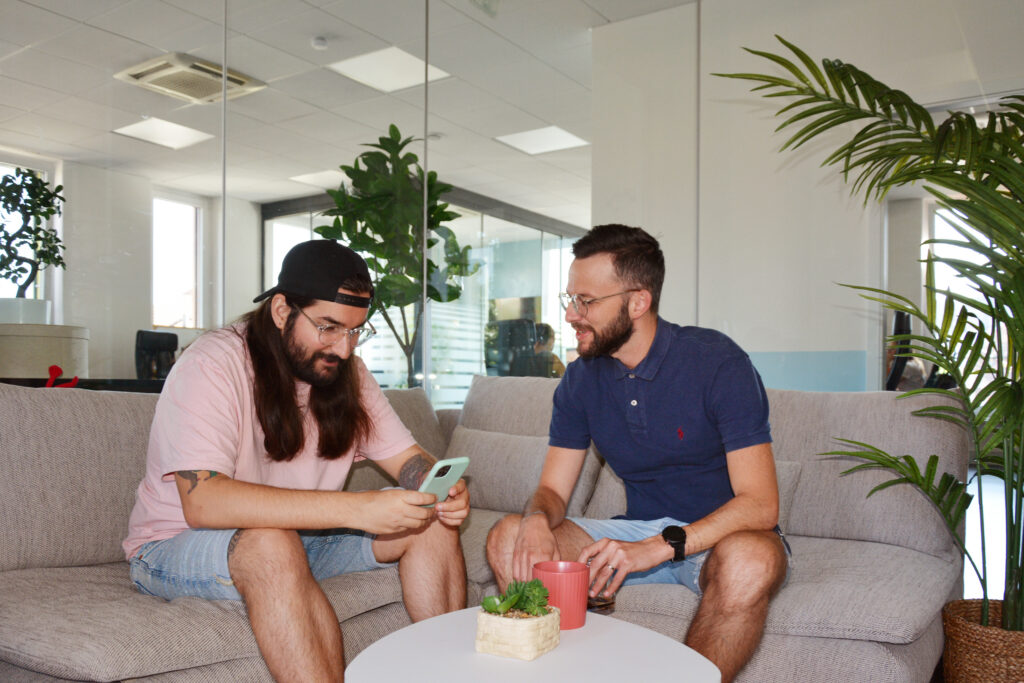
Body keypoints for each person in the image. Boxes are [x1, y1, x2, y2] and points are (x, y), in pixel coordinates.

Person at [123, 240, 468, 682]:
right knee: (271, 543)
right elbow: (203, 503)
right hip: (178, 544)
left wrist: (437, 484)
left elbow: (408, 460)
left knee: (429, 518)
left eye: (355, 330)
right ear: (282, 310)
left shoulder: (349, 374)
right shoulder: (213, 363)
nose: (343, 349)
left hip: (300, 541)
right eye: (328, 327)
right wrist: (359, 508)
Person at [485, 224, 789, 683]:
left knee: (750, 562)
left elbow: (760, 505)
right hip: (636, 532)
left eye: (586, 301)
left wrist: (655, 548)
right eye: (569, 299)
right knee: (508, 536)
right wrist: (533, 520)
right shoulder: (580, 379)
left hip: (720, 538)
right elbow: (552, 489)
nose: (571, 314)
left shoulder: (718, 363)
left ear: (638, 301)